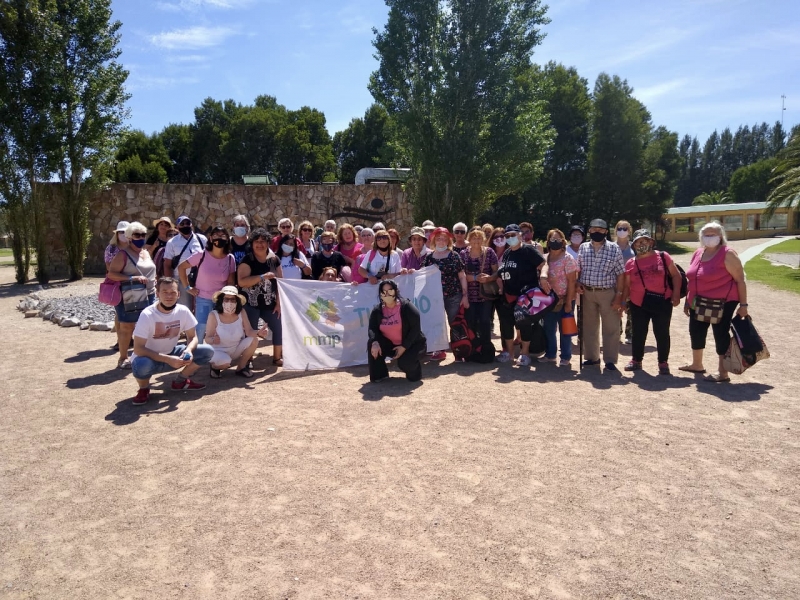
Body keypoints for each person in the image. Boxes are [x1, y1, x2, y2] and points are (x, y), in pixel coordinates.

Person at [680, 221, 749, 382]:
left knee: (720, 333)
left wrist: (743, 305)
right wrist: (688, 300)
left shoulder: (727, 254)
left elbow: (740, 280)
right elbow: (693, 277)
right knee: (696, 330)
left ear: (721, 236)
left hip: (723, 301)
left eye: (713, 235)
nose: (709, 238)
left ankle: (722, 372)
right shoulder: (698, 253)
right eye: (706, 235)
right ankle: (697, 364)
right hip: (699, 301)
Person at [130, 277, 215, 405]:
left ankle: (180, 381)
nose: (169, 296)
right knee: (141, 364)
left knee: (207, 351)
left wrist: (189, 350)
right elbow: (138, 349)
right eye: (165, 292)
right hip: (149, 358)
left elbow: (193, 337)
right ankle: (144, 389)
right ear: (157, 294)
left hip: (172, 352)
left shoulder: (183, 311)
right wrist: (168, 359)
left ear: (178, 294)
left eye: (173, 292)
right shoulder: (147, 315)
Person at [621, 229, 682, 375]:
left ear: (651, 242)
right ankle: (636, 360)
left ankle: (663, 362)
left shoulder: (663, 256)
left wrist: (676, 294)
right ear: (633, 246)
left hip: (662, 301)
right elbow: (627, 286)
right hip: (638, 303)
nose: (641, 244)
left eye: (644, 241)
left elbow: (676, 275)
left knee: (661, 332)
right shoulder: (631, 263)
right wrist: (623, 302)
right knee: (638, 333)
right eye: (638, 242)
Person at [107, 221, 158, 369]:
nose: (140, 237)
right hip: (129, 295)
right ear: (129, 237)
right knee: (127, 326)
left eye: (143, 234)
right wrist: (131, 278)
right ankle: (123, 357)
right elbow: (112, 274)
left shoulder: (146, 252)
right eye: (137, 235)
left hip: (149, 294)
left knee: (148, 326)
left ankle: (145, 355)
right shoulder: (122, 255)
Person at [577, 218, 626, 371]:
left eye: (600, 229)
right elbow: (578, 268)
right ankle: (592, 357)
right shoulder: (583, 247)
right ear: (589, 231)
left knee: (611, 327)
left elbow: (620, 274)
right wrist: (578, 282)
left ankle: (610, 360)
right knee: (589, 327)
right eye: (593, 229)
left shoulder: (614, 248)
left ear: (606, 231)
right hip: (587, 292)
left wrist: (619, 295)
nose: (596, 232)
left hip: (607, 293)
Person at [495, 224, 545, 365]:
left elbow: (543, 264)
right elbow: (501, 272)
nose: (510, 238)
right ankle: (510, 354)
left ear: (519, 235)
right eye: (507, 236)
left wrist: (544, 277)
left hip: (525, 295)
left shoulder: (528, 250)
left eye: (513, 235)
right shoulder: (507, 253)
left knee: (524, 325)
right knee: (506, 325)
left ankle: (525, 354)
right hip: (508, 295)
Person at [177, 226, 236, 342]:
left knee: (220, 328)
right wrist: (187, 287)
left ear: (227, 239)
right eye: (216, 236)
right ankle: (196, 352)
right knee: (201, 327)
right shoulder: (201, 255)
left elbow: (231, 281)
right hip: (203, 298)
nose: (219, 238)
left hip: (220, 300)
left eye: (222, 236)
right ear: (210, 239)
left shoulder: (230, 258)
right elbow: (181, 267)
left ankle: (217, 354)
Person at [237, 228, 284, 366]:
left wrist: (279, 303)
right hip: (250, 302)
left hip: (270, 303)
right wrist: (262, 277)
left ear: (268, 243)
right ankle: (248, 358)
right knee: (250, 331)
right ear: (251, 244)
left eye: (263, 241)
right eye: (257, 241)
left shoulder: (274, 260)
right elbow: (241, 281)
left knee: (278, 326)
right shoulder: (247, 260)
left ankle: (276, 357)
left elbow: (281, 282)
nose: (260, 244)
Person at [367, 280, 427, 383]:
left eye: (390, 291)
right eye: (383, 291)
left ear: (396, 291)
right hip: (392, 345)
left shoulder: (407, 307)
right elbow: (372, 328)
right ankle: (380, 375)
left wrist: (404, 347)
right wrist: (375, 342)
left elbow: (415, 329)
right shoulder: (377, 310)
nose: (387, 294)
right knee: (371, 343)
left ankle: (415, 372)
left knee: (404, 363)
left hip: (412, 344)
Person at [423, 227, 469, 360]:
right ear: (434, 240)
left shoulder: (454, 256)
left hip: (453, 295)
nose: (441, 241)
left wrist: (465, 295)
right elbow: (422, 276)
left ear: (448, 240)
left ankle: (459, 350)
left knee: (454, 322)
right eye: (438, 238)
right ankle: (438, 350)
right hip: (435, 297)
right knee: (436, 322)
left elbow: (462, 276)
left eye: (444, 238)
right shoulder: (429, 257)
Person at [539, 229, 578, 367]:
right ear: (548, 242)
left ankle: (566, 356)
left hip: (565, 298)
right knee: (549, 328)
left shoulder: (568, 258)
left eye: (558, 239)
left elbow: (572, 281)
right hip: (549, 300)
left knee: (565, 329)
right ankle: (550, 354)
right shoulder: (545, 257)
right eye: (552, 239)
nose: (555, 242)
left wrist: (568, 302)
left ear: (562, 241)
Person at [205, 286, 259, 378]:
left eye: (233, 299)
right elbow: (207, 339)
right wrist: (213, 339)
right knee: (225, 362)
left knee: (254, 340)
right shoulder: (213, 315)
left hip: (235, 349)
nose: (229, 302)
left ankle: (241, 368)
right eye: (226, 299)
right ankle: (214, 367)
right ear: (221, 300)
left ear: (237, 301)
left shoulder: (241, 312)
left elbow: (249, 331)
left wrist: (259, 333)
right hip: (219, 350)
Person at [460, 228, 499, 354]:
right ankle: (473, 348)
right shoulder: (463, 254)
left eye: (479, 238)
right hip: (469, 294)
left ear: (483, 239)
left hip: (485, 294)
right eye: (473, 237)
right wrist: (474, 278)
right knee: (471, 321)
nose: (476, 240)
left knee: (485, 321)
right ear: (469, 240)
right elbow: (460, 274)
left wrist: (489, 278)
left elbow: (496, 271)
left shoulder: (490, 252)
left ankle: (486, 348)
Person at [162, 215, 208, 308]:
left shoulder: (201, 239)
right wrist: (169, 284)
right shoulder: (172, 242)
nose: (185, 225)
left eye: (188, 223)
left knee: (200, 307)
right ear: (177, 227)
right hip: (181, 279)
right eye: (182, 224)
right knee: (185, 308)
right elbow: (167, 264)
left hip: (200, 278)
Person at [614, 219, 635, 345]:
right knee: (616, 308)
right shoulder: (610, 246)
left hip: (631, 283)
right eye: (619, 228)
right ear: (616, 230)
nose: (622, 231)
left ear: (629, 231)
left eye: (625, 229)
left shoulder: (634, 247)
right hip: (615, 283)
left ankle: (630, 334)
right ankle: (618, 332)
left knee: (631, 309)